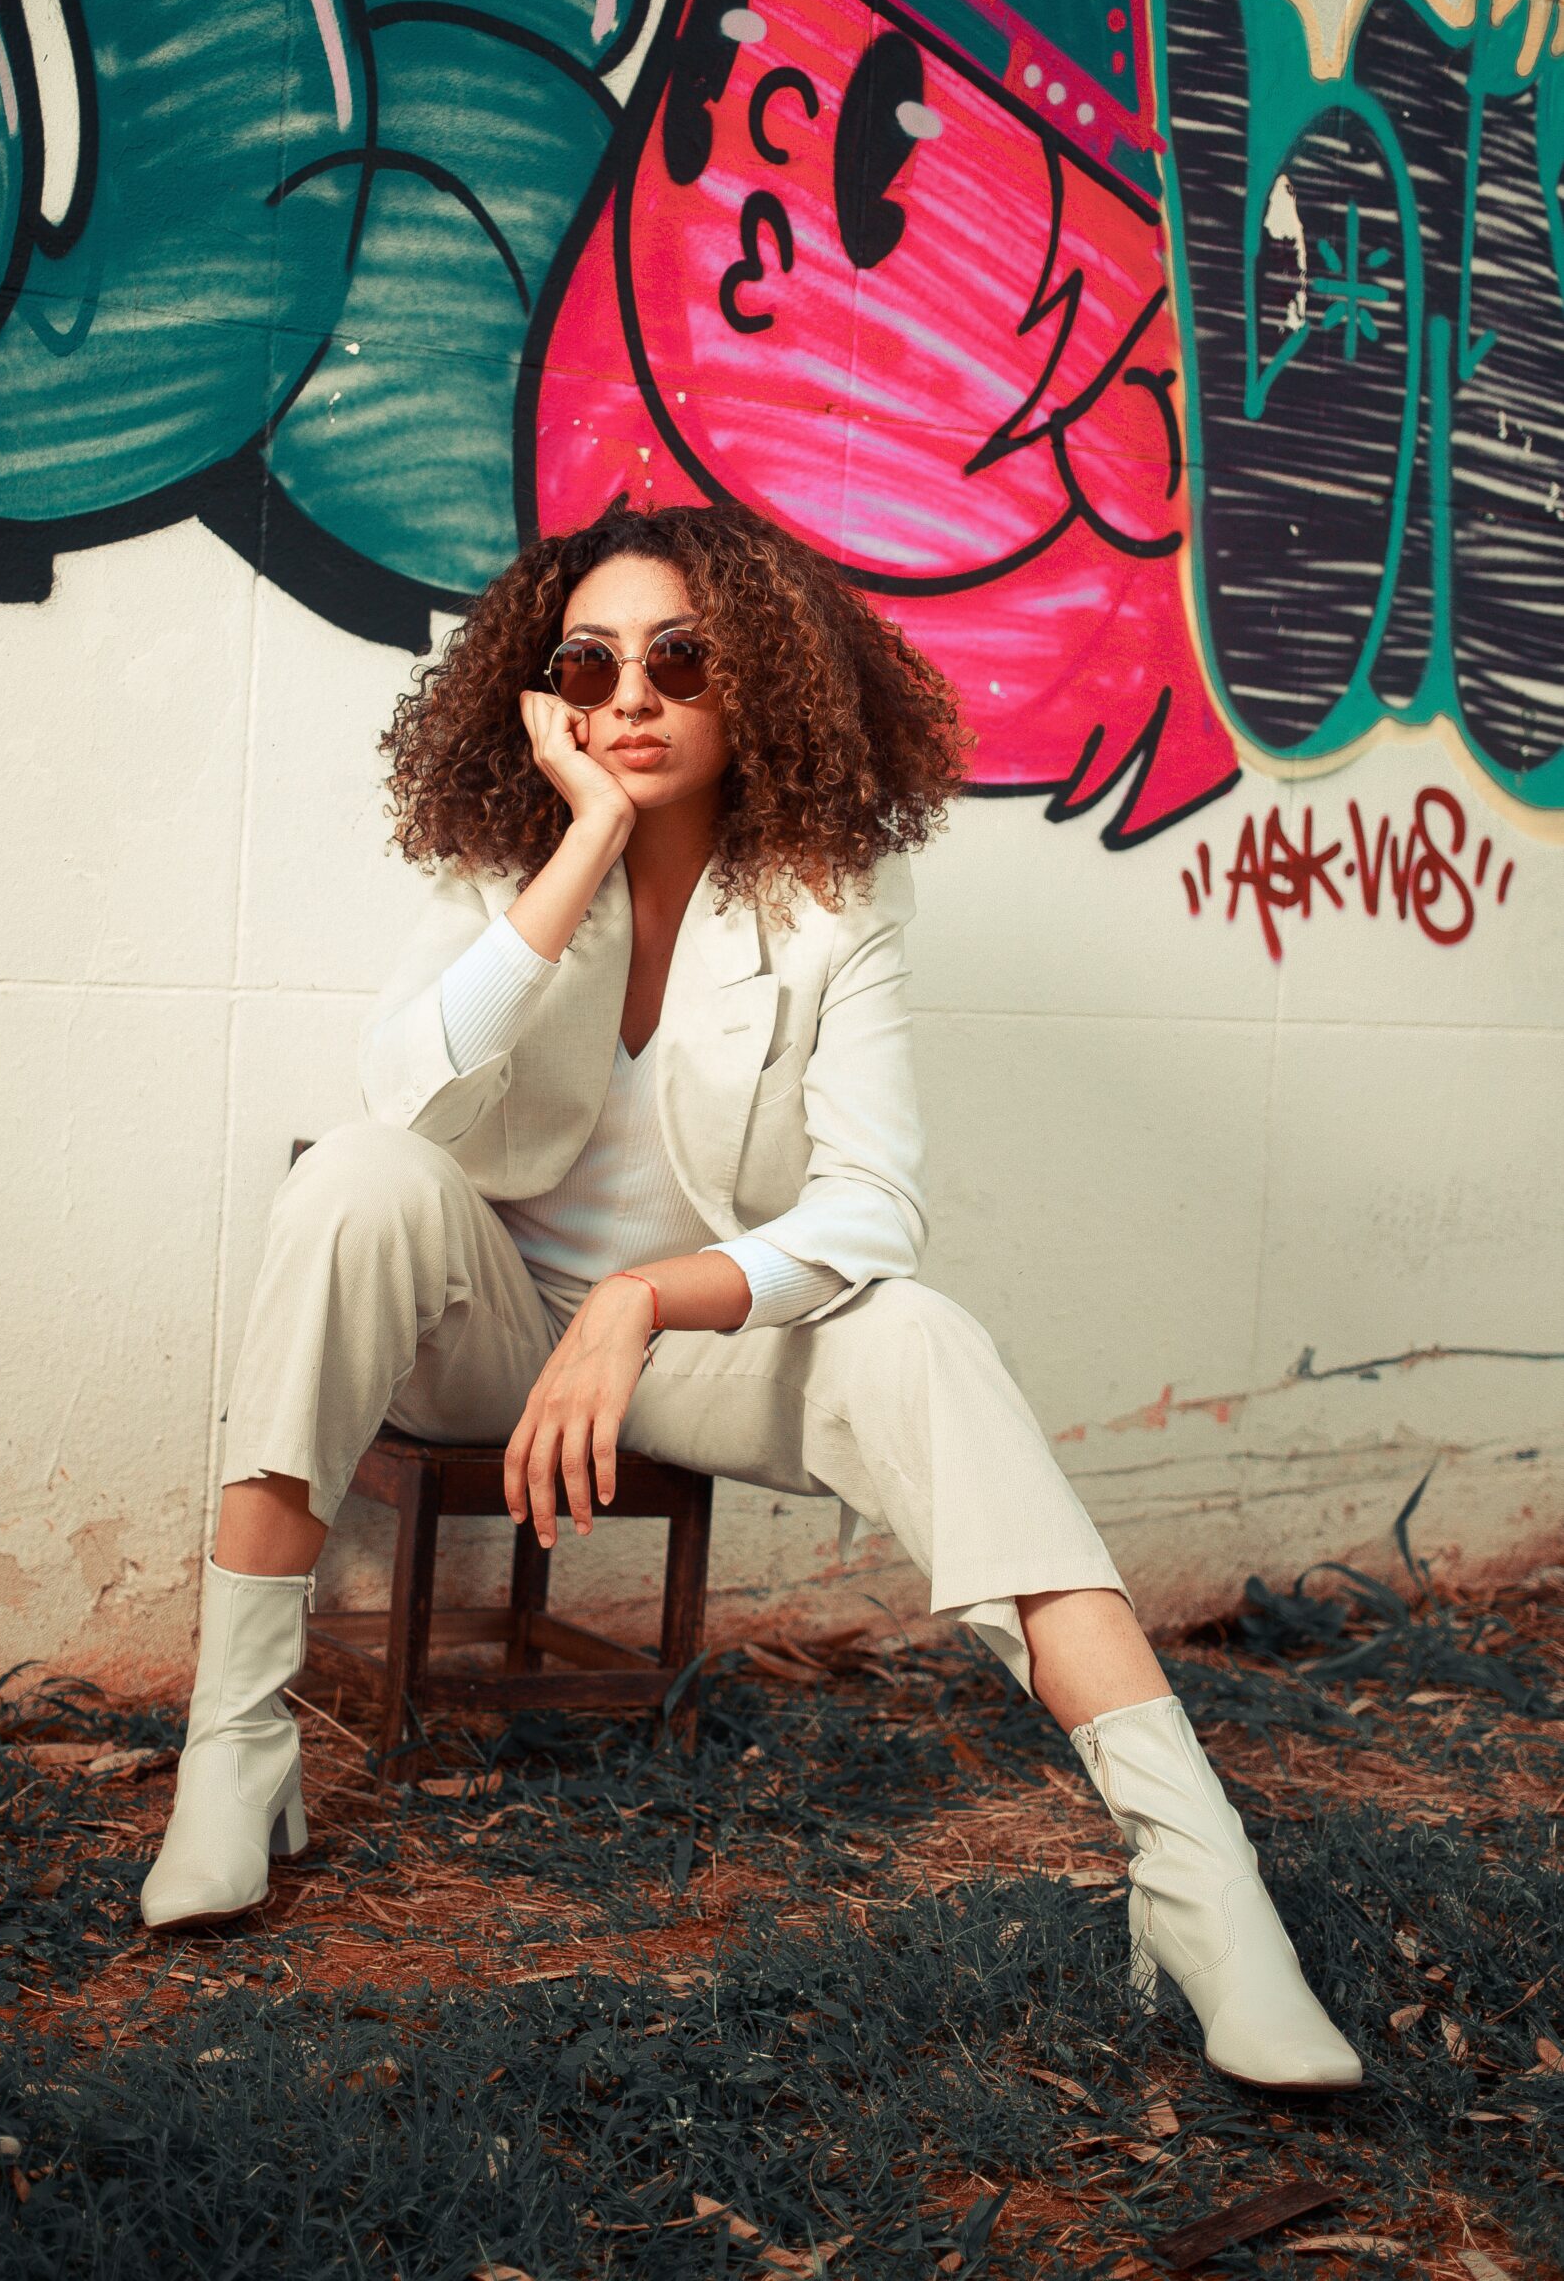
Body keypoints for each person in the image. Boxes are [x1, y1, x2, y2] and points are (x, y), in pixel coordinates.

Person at [140, 502, 1361, 2092]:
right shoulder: (499, 867)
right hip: (486, 1328)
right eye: (591, 661)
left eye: (680, 657)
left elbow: (875, 1207)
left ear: (759, 682)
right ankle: (237, 1755)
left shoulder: (834, 903)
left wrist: (643, 1300)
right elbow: (412, 1100)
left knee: (922, 1333)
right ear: (545, 691)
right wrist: (578, 846)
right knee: (357, 1179)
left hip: (684, 1357)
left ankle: (1205, 1891)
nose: (631, 694)